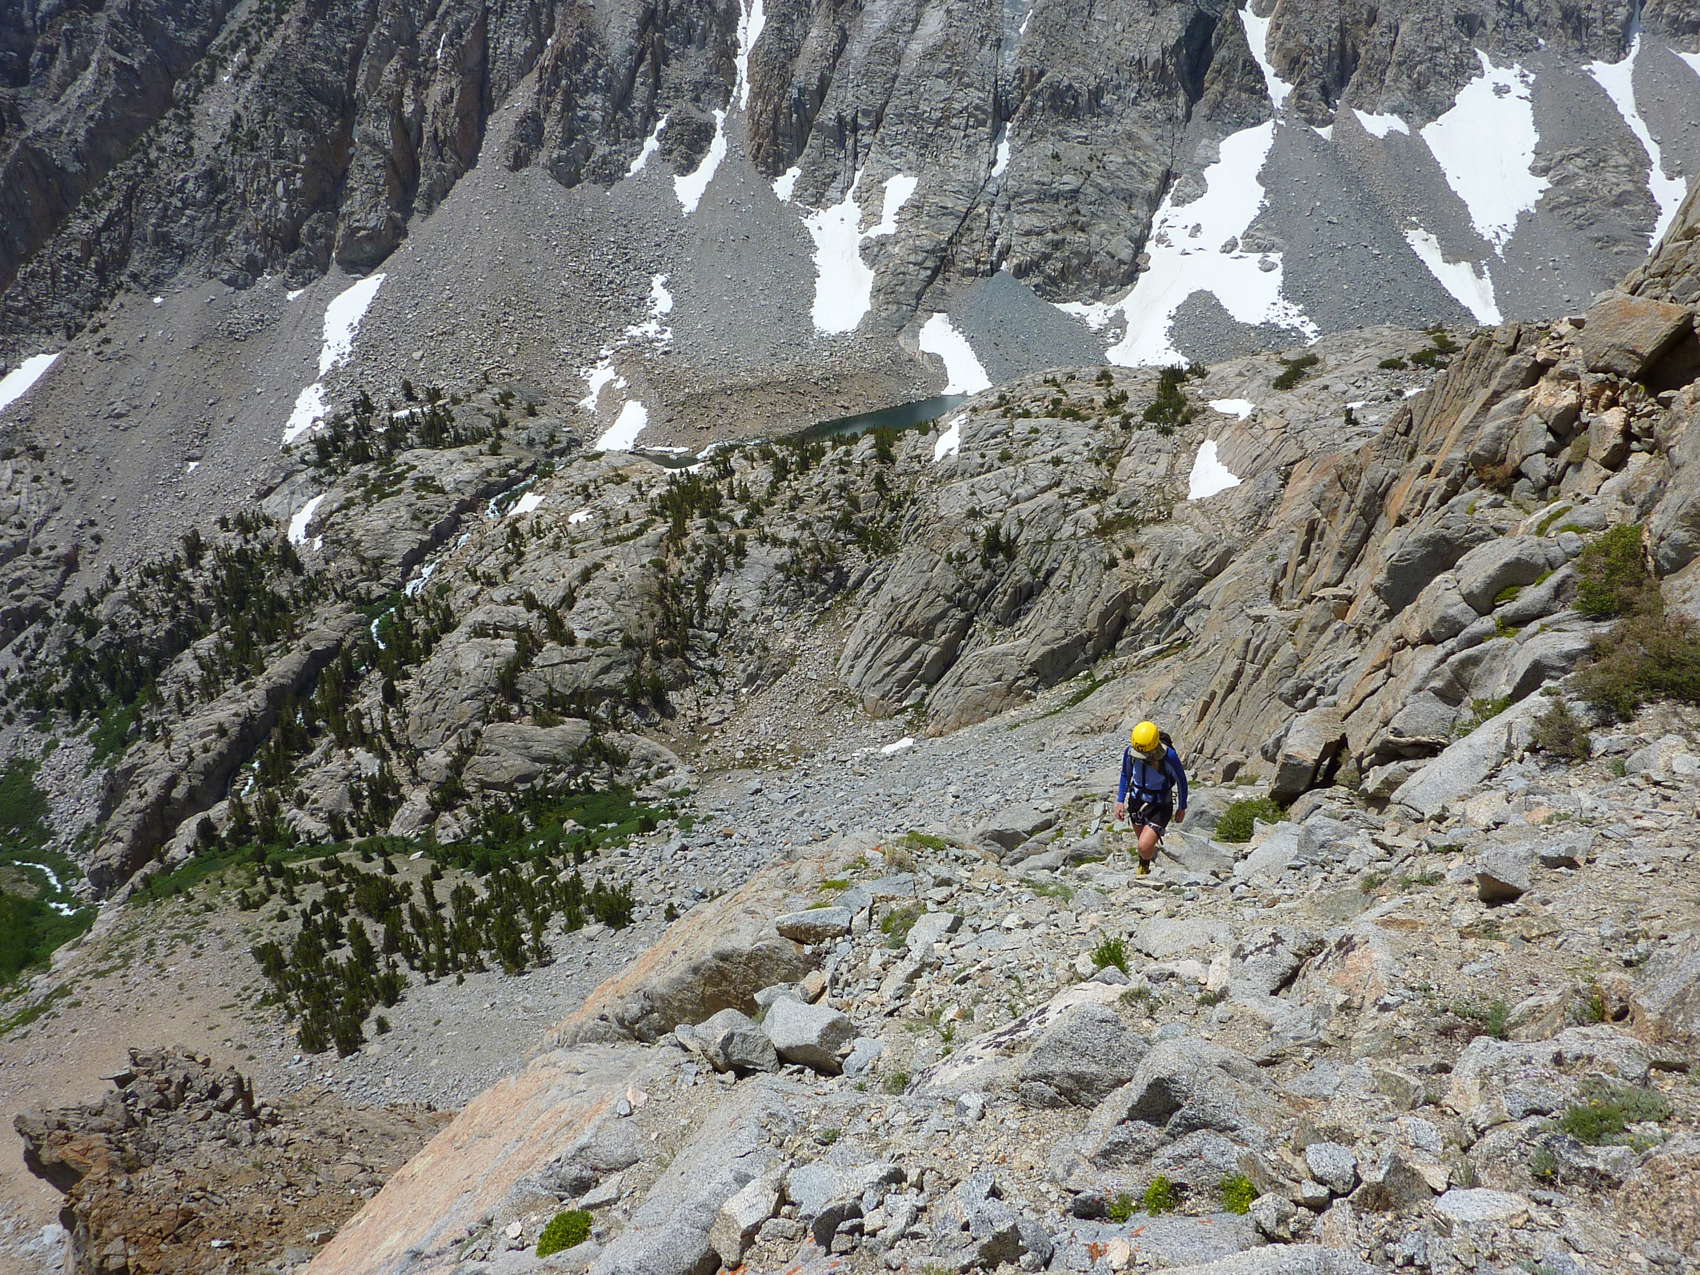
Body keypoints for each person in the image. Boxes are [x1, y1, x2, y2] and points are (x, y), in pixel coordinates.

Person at [1114, 720, 1188, 875]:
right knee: (1143, 842)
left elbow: (1181, 781)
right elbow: (1125, 774)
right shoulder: (1130, 752)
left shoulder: (1168, 756)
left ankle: (1145, 865)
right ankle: (1145, 864)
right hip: (1136, 801)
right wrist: (1120, 800)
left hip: (1160, 804)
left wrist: (1182, 807)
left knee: (1144, 846)